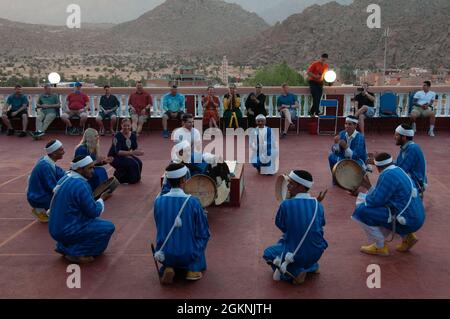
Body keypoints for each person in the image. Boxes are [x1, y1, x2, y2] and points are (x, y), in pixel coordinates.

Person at [352, 153, 425, 256]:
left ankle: (380, 246)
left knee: (361, 210)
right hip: (417, 218)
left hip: (408, 221)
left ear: (377, 166)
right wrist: (369, 187)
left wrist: (359, 195)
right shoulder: (398, 170)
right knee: (388, 207)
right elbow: (384, 197)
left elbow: (375, 201)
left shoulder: (387, 176)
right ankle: (408, 237)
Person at [263, 170, 328, 285]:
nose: (288, 186)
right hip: (317, 252)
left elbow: (282, 226)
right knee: (295, 240)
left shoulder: (286, 204)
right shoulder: (319, 205)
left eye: (291, 184)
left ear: (301, 187)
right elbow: (321, 224)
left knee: (268, 253)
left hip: (296, 254)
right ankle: (312, 266)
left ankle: (296, 272)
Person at [49, 155, 115, 264]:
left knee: (88, 221)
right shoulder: (81, 184)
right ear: (79, 169)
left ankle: (62, 246)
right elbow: (94, 212)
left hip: (54, 228)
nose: (93, 171)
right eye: (90, 168)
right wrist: (101, 200)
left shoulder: (65, 177)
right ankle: (77, 252)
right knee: (108, 227)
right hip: (67, 229)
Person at [153, 163, 210, 284]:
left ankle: (168, 266)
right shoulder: (193, 202)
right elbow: (203, 232)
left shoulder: (158, 201)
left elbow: (159, 226)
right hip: (187, 253)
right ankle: (192, 269)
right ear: (184, 180)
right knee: (201, 237)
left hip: (163, 253)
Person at [27, 140, 66, 222]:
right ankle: (41, 210)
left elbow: (59, 172)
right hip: (38, 197)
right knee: (66, 197)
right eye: (61, 150)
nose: (64, 152)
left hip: (35, 194)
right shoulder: (45, 166)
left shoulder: (46, 160)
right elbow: (52, 187)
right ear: (54, 153)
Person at [393, 124, 427, 196]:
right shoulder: (406, 147)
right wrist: (380, 161)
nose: (394, 137)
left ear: (404, 137)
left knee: (389, 177)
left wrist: (384, 165)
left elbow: (402, 169)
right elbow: (398, 163)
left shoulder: (412, 149)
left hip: (416, 182)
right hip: (413, 178)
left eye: (396, 135)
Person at [108, 118, 144, 184]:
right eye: (124, 125)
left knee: (139, 162)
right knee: (132, 163)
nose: (126, 127)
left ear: (131, 125)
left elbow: (134, 148)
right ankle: (125, 179)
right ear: (121, 125)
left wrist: (139, 152)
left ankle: (135, 179)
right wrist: (131, 153)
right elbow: (117, 152)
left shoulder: (133, 135)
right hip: (114, 157)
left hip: (126, 154)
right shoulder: (117, 136)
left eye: (128, 125)